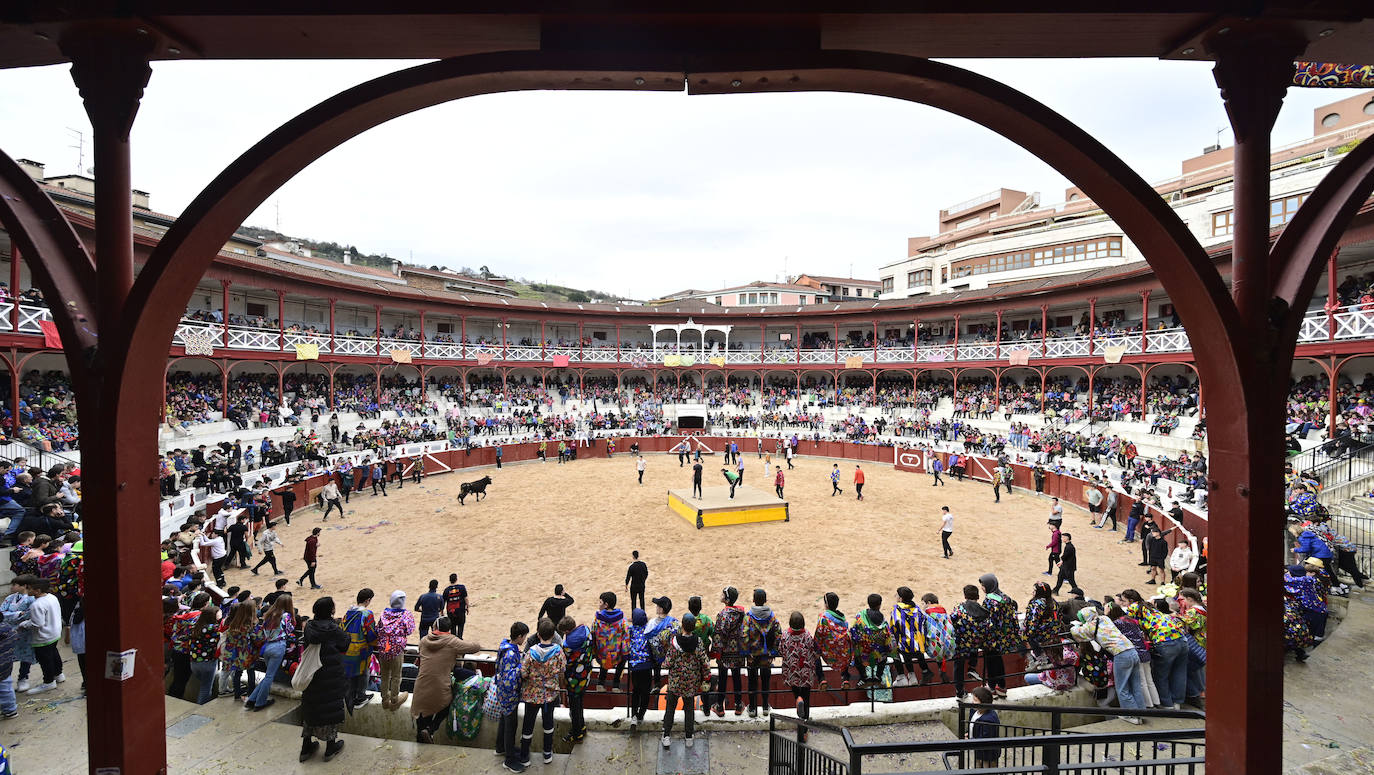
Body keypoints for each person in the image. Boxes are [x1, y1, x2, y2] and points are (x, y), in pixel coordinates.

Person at [412, 615, 482, 743]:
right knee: (448, 703)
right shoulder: (452, 641)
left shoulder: (423, 641)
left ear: (434, 627)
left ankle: (423, 741)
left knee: (421, 724)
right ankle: (431, 729)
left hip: (420, 687)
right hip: (440, 688)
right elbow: (475, 647)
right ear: (449, 629)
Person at [299, 597, 350, 763]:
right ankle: (330, 748)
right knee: (330, 709)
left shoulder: (309, 627)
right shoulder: (333, 629)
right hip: (330, 674)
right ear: (331, 610)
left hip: (312, 675)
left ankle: (306, 747)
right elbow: (345, 644)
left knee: (312, 708)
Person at [1071, 607, 1144, 722]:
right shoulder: (1105, 618)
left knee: (1122, 688)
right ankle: (1142, 713)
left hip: (1121, 655)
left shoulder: (1090, 626)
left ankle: (1132, 716)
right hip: (1132, 651)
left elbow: (1075, 632)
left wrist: (1076, 625)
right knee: (1135, 686)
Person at [517, 618, 566, 764]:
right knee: (548, 724)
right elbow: (562, 669)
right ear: (553, 635)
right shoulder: (558, 652)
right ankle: (547, 754)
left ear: (538, 635)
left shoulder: (531, 652)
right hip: (550, 696)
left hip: (532, 695)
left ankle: (524, 756)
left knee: (528, 724)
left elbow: (523, 672)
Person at [662, 612, 711, 749]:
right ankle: (689, 736)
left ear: (682, 626)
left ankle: (666, 735)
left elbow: (667, 663)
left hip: (675, 682)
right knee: (689, 709)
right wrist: (706, 677)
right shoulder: (698, 642)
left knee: (670, 708)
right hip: (691, 683)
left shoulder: (675, 642)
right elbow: (705, 662)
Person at [245, 594, 294, 711]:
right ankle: (259, 703)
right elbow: (290, 629)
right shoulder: (285, 615)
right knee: (270, 676)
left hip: (268, 647)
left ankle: (252, 699)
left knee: (268, 675)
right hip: (278, 646)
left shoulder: (268, 615)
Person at [744, 588, 781, 716]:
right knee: (766, 680)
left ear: (753, 600)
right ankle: (765, 706)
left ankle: (753, 708)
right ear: (765, 601)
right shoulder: (772, 617)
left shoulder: (748, 617)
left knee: (752, 681)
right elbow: (778, 634)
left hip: (753, 656)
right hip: (767, 655)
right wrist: (773, 652)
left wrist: (747, 652)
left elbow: (744, 636)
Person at [377, 590, 415, 710]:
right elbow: (409, 630)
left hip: (383, 649)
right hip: (396, 650)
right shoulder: (406, 615)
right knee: (396, 675)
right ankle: (394, 699)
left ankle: (384, 699)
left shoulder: (384, 614)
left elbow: (378, 628)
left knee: (384, 675)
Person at [558, 616, 594, 745]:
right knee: (580, 703)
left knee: (574, 706)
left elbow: (563, 660)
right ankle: (582, 727)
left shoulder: (568, 645)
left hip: (573, 680)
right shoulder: (586, 630)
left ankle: (577, 733)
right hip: (586, 675)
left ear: (567, 631)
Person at [711, 586, 747, 715]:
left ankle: (719, 706)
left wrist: (715, 651)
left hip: (725, 653)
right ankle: (738, 705)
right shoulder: (741, 613)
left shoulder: (722, 615)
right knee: (736, 677)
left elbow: (719, 635)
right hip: (737, 651)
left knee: (723, 678)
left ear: (726, 599)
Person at [342, 588, 379, 709]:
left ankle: (350, 697)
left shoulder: (348, 613)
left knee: (350, 674)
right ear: (368, 600)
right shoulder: (367, 614)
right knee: (363, 672)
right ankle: (360, 696)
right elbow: (371, 634)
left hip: (348, 648)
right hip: (361, 649)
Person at [778, 611, 817, 721]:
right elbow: (813, 650)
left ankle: (797, 697)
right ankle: (804, 730)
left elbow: (780, 650)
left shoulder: (785, 635)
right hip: (805, 671)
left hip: (792, 670)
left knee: (795, 686)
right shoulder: (807, 636)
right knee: (806, 698)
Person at [219, 601, 259, 702]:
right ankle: (251, 694)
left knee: (237, 673)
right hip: (247, 653)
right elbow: (258, 638)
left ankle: (237, 694)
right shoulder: (251, 624)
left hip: (234, 652)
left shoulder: (233, 623)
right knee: (251, 673)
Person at [813, 592, 853, 690]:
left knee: (814, 654)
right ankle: (845, 678)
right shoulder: (843, 619)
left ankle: (821, 679)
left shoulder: (823, 617)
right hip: (843, 653)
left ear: (826, 604)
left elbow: (818, 635)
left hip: (829, 652)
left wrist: (817, 650)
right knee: (846, 649)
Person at [593, 591, 628, 691]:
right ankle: (616, 685)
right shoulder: (621, 618)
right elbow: (626, 634)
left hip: (602, 652)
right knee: (622, 660)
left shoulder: (598, 618)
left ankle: (600, 683)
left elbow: (593, 631)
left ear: (606, 605)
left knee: (604, 658)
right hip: (616, 653)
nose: (598, 604)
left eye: (600, 602)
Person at [965, 686, 1001, 769]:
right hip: (978, 749)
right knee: (977, 766)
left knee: (987, 769)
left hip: (988, 753)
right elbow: (972, 724)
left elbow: (985, 739)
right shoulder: (974, 710)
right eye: (973, 699)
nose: (973, 702)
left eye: (975, 700)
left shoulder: (989, 720)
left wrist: (970, 741)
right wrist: (969, 733)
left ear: (983, 702)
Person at [443, 573, 471, 639]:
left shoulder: (446, 590)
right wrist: (467, 607)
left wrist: (441, 611)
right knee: (461, 627)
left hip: (451, 612)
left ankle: (454, 642)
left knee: (452, 629)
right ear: (456, 579)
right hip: (460, 611)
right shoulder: (462, 587)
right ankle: (460, 640)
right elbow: (466, 598)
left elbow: (443, 602)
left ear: (450, 580)